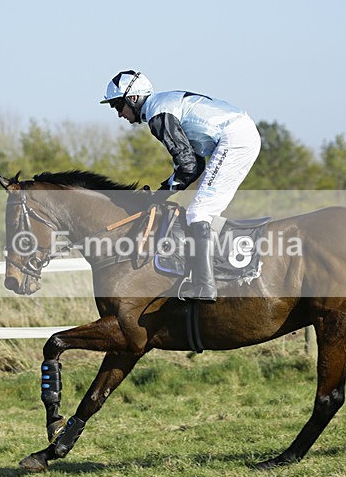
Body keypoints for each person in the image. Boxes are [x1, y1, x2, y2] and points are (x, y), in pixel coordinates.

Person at [101, 70, 261, 303]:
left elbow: (187, 166)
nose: (119, 114)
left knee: (200, 212)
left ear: (133, 99)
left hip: (235, 138)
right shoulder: (161, 106)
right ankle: (211, 273)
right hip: (238, 134)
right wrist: (164, 191)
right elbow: (194, 165)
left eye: (118, 106)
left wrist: (160, 195)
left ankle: (204, 285)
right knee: (203, 210)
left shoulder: (158, 114)